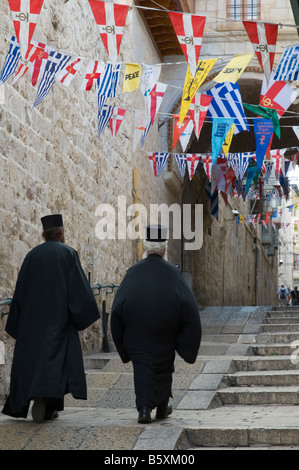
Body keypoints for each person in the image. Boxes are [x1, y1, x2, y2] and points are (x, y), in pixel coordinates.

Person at [2, 214, 100, 422]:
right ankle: (49, 405)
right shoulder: (68, 254)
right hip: (59, 321)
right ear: (62, 232)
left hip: (32, 323)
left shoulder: (32, 255)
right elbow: (78, 290)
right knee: (57, 363)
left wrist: (18, 322)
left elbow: (20, 291)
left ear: (44, 233)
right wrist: (81, 315)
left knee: (34, 362)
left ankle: (41, 401)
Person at [111, 224, 202, 424]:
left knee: (142, 368)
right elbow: (190, 309)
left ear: (146, 247)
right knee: (163, 367)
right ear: (164, 248)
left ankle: (144, 409)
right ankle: (161, 407)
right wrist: (186, 342)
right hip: (164, 335)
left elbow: (117, 307)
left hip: (137, 336)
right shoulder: (173, 273)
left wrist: (122, 345)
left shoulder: (132, 272)